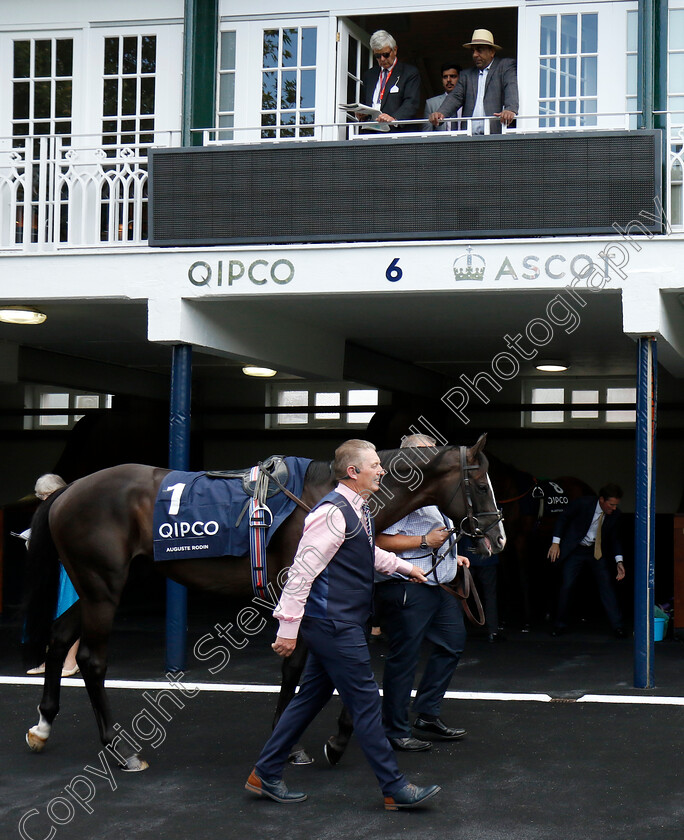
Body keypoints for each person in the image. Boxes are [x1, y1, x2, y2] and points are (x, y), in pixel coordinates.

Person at [245, 439, 441, 811]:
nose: (382, 470)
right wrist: (287, 628)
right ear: (353, 473)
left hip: (337, 622)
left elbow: (365, 552)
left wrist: (405, 567)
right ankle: (394, 788)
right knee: (366, 704)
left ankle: (265, 773)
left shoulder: (357, 510)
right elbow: (301, 572)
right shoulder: (332, 513)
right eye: (375, 466)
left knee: (309, 699)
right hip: (334, 624)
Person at [374, 434, 469, 752]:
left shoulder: (430, 493)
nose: (433, 460)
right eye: (426, 454)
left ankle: (427, 715)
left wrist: (453, 555)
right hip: (406, 586)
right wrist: (424, 542)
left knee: (452, 644)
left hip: (436, 586)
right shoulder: (397, 496)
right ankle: (395, 730)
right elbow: (376, 541)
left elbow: (437, 536)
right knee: (405, 658)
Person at [547, 483, 627, 637]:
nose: (614, 508)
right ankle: (559, 624)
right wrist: (555, 543)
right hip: (576, 549)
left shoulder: (616, 515)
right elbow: (563, 518)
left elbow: (616, 539)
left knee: (607, 586)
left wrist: (619, 562)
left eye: (616, 505)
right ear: (602, 500)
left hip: (596, 552)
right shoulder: (583, 503)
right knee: (567, 585)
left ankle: (618, 626)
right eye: (611, 504)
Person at [24, 474, 81, 677]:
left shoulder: (72, 509)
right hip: (52, 569)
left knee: (68, 614)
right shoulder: (49, 510)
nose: (44, 500)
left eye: (47, 495)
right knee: (49, 613)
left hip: (70, 569)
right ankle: (51, 660)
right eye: (41, 496)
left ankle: (70, 661)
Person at [429, 29, 518, 135]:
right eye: (473, 51)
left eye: (479, 50)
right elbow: (455, 97)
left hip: (495, 134)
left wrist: (510, 109)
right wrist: (441, 113)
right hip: (470, 137)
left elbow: (510, 86)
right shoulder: (467, 75)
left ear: (492, 52)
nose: (475, 55)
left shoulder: (504, 66)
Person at [358, 30, 421, 132]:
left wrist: (394, 119)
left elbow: (411, 103)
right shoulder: (369, 75)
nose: (382, 59)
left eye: (386, 54)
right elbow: (365, 102)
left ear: (395, 50)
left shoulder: (409, 73)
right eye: (378, 56)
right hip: (370, 132)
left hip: (396, 132)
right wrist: (362, 113)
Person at [459, 534, 503, 642]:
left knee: (461, 595)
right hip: (486, 555)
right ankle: (493, 632)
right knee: (490, 595)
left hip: (466, 553)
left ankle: (457, 631)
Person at [423, 63, 462, 131]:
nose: (448, 80)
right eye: (445, 77)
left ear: (460, 78)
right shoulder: (431, 103)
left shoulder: (469, 101)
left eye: (452, 76)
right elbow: (427, 133)